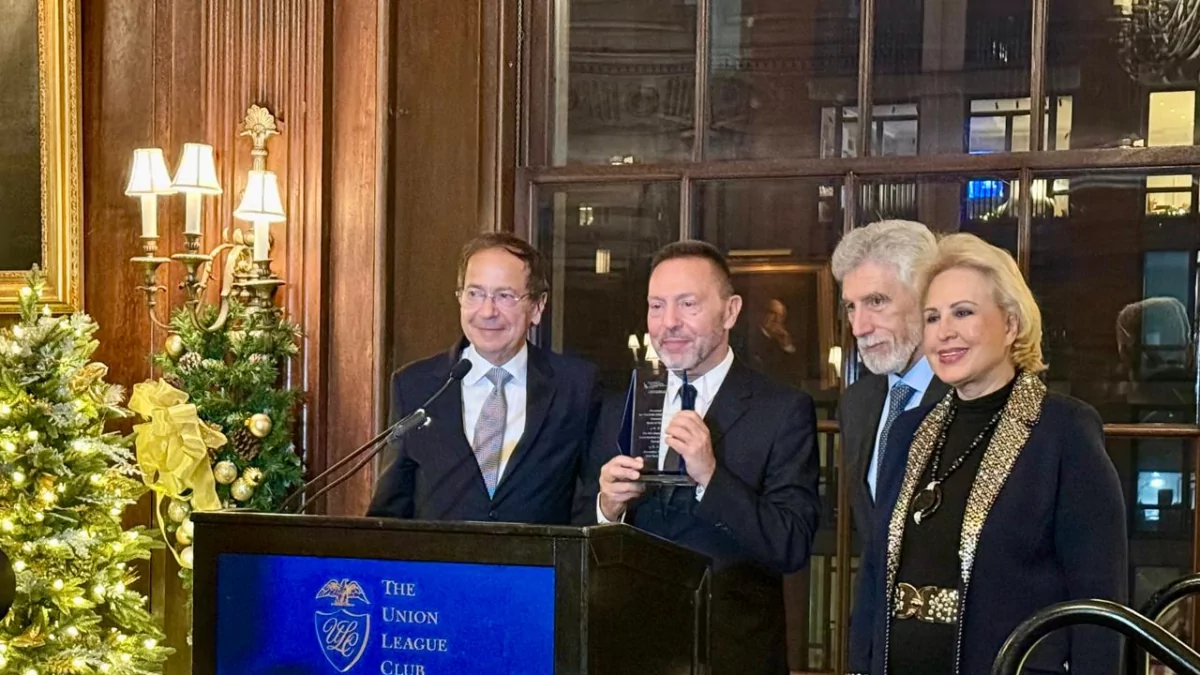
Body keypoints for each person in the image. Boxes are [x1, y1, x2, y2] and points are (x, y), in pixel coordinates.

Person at [849, 233, 1127, 675]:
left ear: (1011, 324)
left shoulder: (1063, 431)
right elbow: (872, 579)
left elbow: (1099, 600)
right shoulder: (907, 431)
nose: (945, 331)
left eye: (963, 312)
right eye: (933, 317)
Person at [578, 240, 821, 675]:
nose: (669, 322)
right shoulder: (619, 406)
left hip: (733, 656)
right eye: (656, 306)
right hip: (629, 655)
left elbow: (792, 545)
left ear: (730, 312)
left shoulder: (782, 410)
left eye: (688, 304)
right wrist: (606, 508)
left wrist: (712, 477)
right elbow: (576, 530)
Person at [367, 232, 601, 524]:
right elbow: (389, 513)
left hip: (537, 555)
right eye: (475, 294)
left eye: (505, 296)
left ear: (537, 307)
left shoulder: (576, 386)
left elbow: (592, 499)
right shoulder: (416, 385)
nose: (487, 311)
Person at [831, 220, 949, 547]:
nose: (859, 327)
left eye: (876, 301)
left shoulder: (970, 394)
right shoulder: (856, 403)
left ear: (926, 299)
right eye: (851, 307)